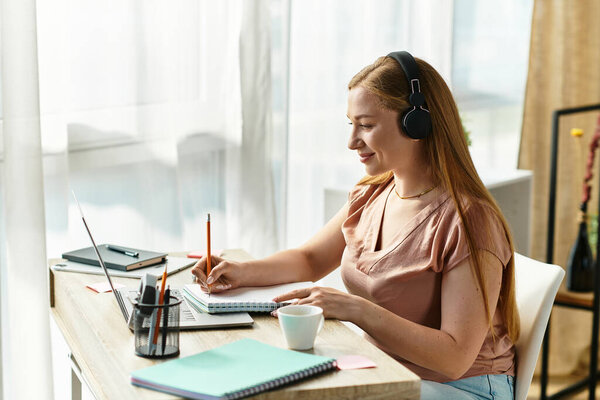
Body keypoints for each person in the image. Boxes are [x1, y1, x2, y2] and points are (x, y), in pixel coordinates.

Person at [191, 51, 519, 400]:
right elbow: (310, 261)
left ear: (417, 123)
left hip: (462, 387)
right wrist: (241, 271)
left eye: (366, 125)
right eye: (351, 124)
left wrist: (357, 310)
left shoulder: (470, 221)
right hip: (387, 369)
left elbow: (454, 358)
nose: (352, 141)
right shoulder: (372, 193)